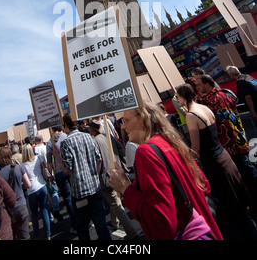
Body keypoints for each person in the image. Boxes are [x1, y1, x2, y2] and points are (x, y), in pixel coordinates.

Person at [108, 103, 223, 240]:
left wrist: (125, 188)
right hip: (205, 227)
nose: (123, 127)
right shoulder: (169, 141)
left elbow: (162, 223)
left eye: (126, 121)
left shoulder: (146, 152)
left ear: (143, 118)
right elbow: (204, 185)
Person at [176, 83, 257, 240]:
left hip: (214, 165)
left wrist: (189, 163)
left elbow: (196, 147)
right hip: (224, 158)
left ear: (183, 96)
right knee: (239, 207)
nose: (177, 99)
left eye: (177, 96)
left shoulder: (191, 115)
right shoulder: (204, 108)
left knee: (230, 213)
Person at [196, 74, 257, 220]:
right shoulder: (225, 94)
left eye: (199, 84)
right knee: (247, 171)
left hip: (229, 144)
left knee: (245, 173)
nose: (197, 88)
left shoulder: (208, 101)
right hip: (238, 139)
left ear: (207, 84)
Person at [53, 113, 111, 240]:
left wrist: (57, 157)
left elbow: (67, 170)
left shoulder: (66, 143)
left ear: (66, 125)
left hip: (80, 193)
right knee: (101, 225)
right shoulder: (88, 137)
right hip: (94, 188)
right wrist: (94, 175)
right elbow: (99, 159)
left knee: (83, 229)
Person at [88, 120, 139, 239]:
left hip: (107, 176)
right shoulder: (107, 136)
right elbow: (120, 146)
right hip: (116, 170)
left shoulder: (94, 141)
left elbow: (98, 160)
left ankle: (132, 232)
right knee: (115, 199)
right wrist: (123, 162)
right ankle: (114, 223)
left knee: (115, 202)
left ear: (92, 130)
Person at [0, 147, 31, 240]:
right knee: (25, 236)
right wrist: (19, 186)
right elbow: (28, 184)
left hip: (9, 210)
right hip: (22, 206)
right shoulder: (18, 167)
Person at [47, 126, 75, 230]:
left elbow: (49, 162)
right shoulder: (66, 136)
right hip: (71, 168)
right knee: (76, 195)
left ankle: (75, 223)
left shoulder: (50, 142)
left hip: (60, 173)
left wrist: (50, 175)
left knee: (68, 198)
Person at [20, 144, 51, 240]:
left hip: (31, 190)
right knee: (44, 211)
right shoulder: (39, 158)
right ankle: (48, 234)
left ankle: (37, 233)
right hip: (42, 186)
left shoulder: (22, 165)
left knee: (34, 214)